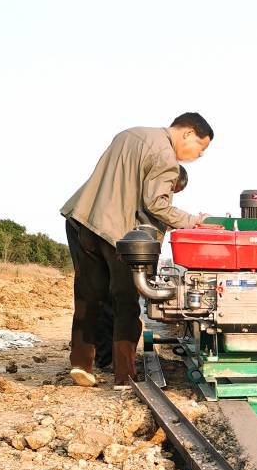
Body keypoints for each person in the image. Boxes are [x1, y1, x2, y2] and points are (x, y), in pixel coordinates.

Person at [61, 114, 212, 387]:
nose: (197, 156)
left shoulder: (129, 133)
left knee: (87, 298)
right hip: (119, 234)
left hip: (83, 220)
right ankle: (124, 377)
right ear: (188, 133)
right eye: (201, 149)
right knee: (126, 302)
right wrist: (194, 221)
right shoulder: (166, 157)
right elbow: (156, 204)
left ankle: (81, 364)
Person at [93, 166, 190, 371]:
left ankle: (106, 359)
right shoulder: (150, 195)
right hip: (125, 248)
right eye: (173, 189)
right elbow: (151, 216)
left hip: (114, 242)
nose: (170, 195)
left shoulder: (132, 189)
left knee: (110, 302)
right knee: (124, 304)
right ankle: (120, 368)